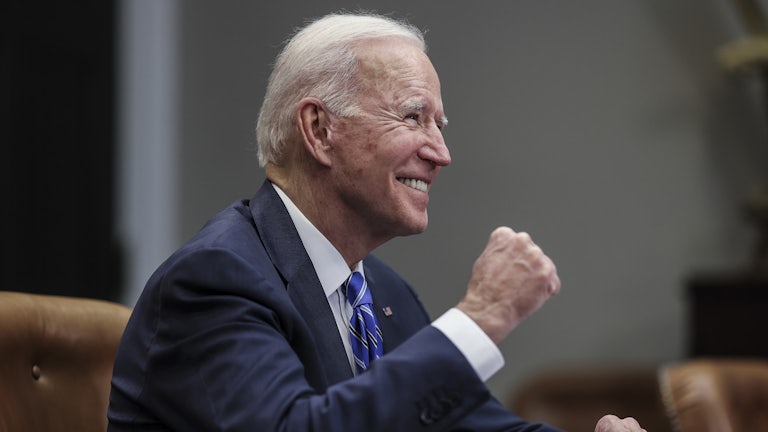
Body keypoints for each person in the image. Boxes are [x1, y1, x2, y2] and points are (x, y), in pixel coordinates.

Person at [108, 12, 646, 432]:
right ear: (319, 130)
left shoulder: (381, 290)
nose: (441, 152)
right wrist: (481, 316)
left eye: (440, 124)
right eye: (413, 117)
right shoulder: (214, 281)